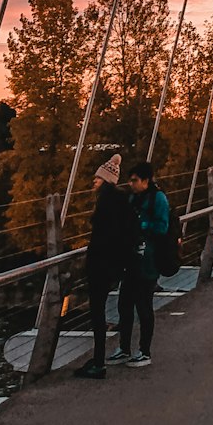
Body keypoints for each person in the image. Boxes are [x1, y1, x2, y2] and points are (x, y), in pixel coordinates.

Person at [74, 153, 135, 381]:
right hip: (114, 264)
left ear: (106, 180)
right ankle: (98, 359)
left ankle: (98, 362)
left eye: (97, 179)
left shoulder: (106, 204)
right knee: (99, 312)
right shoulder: (121, 202)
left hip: (101, 264)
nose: (94, 182)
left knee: (97, 313)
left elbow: (101, 238)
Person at [108, 161, 169, 369]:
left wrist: (140, 224)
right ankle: (124, 349)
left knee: (144, 306)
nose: (131, 184)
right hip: (131, 259)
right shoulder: (133, 198)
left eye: (134, 180)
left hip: (149, 261)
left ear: (145, 180)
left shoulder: (158, 198)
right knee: (124, 305)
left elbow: (163, 227)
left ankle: (144, 351)